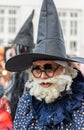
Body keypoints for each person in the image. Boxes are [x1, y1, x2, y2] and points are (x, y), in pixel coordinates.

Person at [5, 0, 84, 129]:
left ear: (66, 68)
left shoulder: (79, 102)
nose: (42, 76)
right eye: (37, 69)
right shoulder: (27, 101)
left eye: (49, 68)